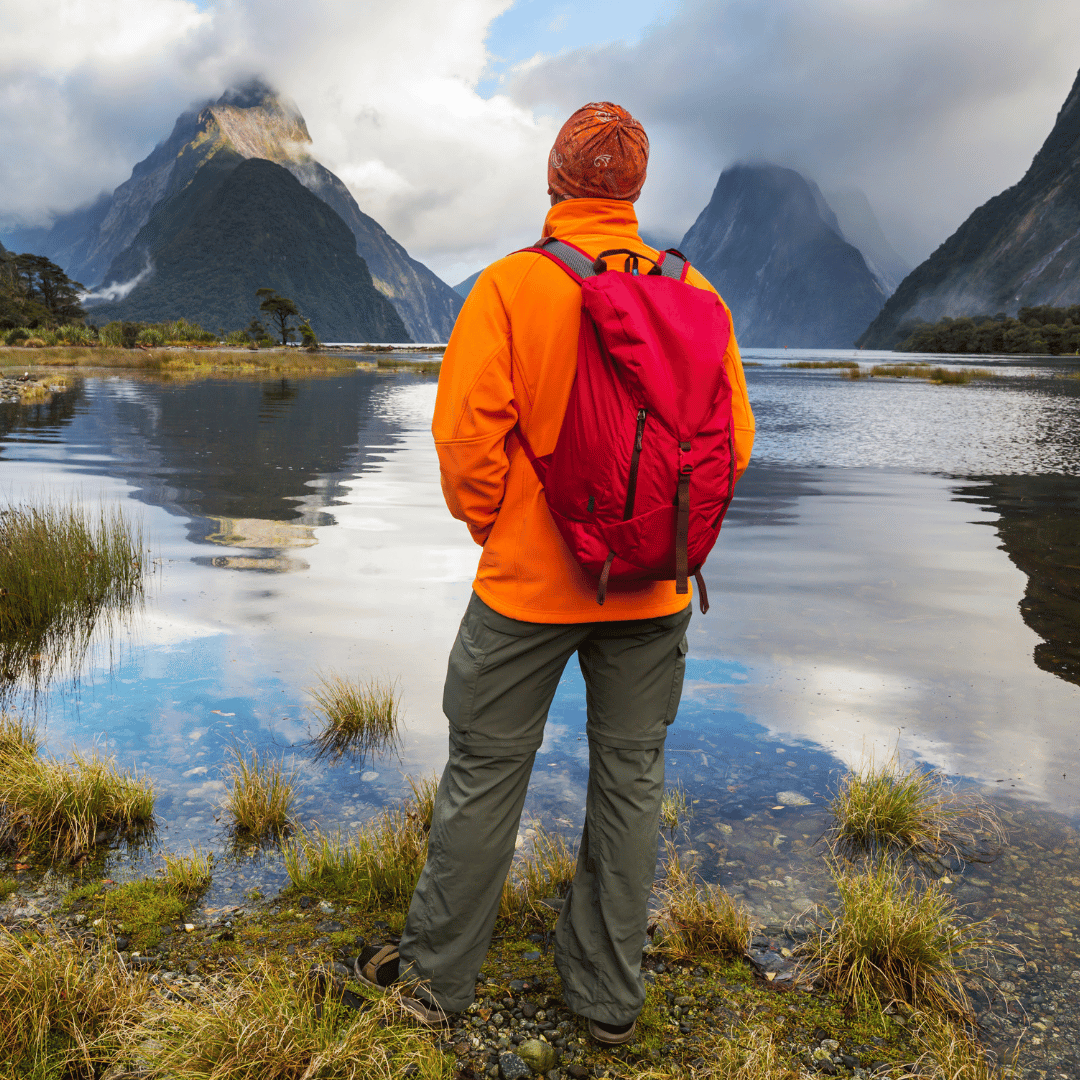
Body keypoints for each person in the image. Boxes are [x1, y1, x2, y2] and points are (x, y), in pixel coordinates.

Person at [356, 102, 755, 1044]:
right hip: (654, 587)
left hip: (529, 589)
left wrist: (511, 532)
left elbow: (464, 444)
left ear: (554, 179)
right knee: (630, 780)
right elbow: (731, 446)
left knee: (486, 776)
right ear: (637, 188)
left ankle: (438, 982)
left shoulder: (509, 288)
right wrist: (655, 538)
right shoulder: (697, 292)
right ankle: (607, 997)